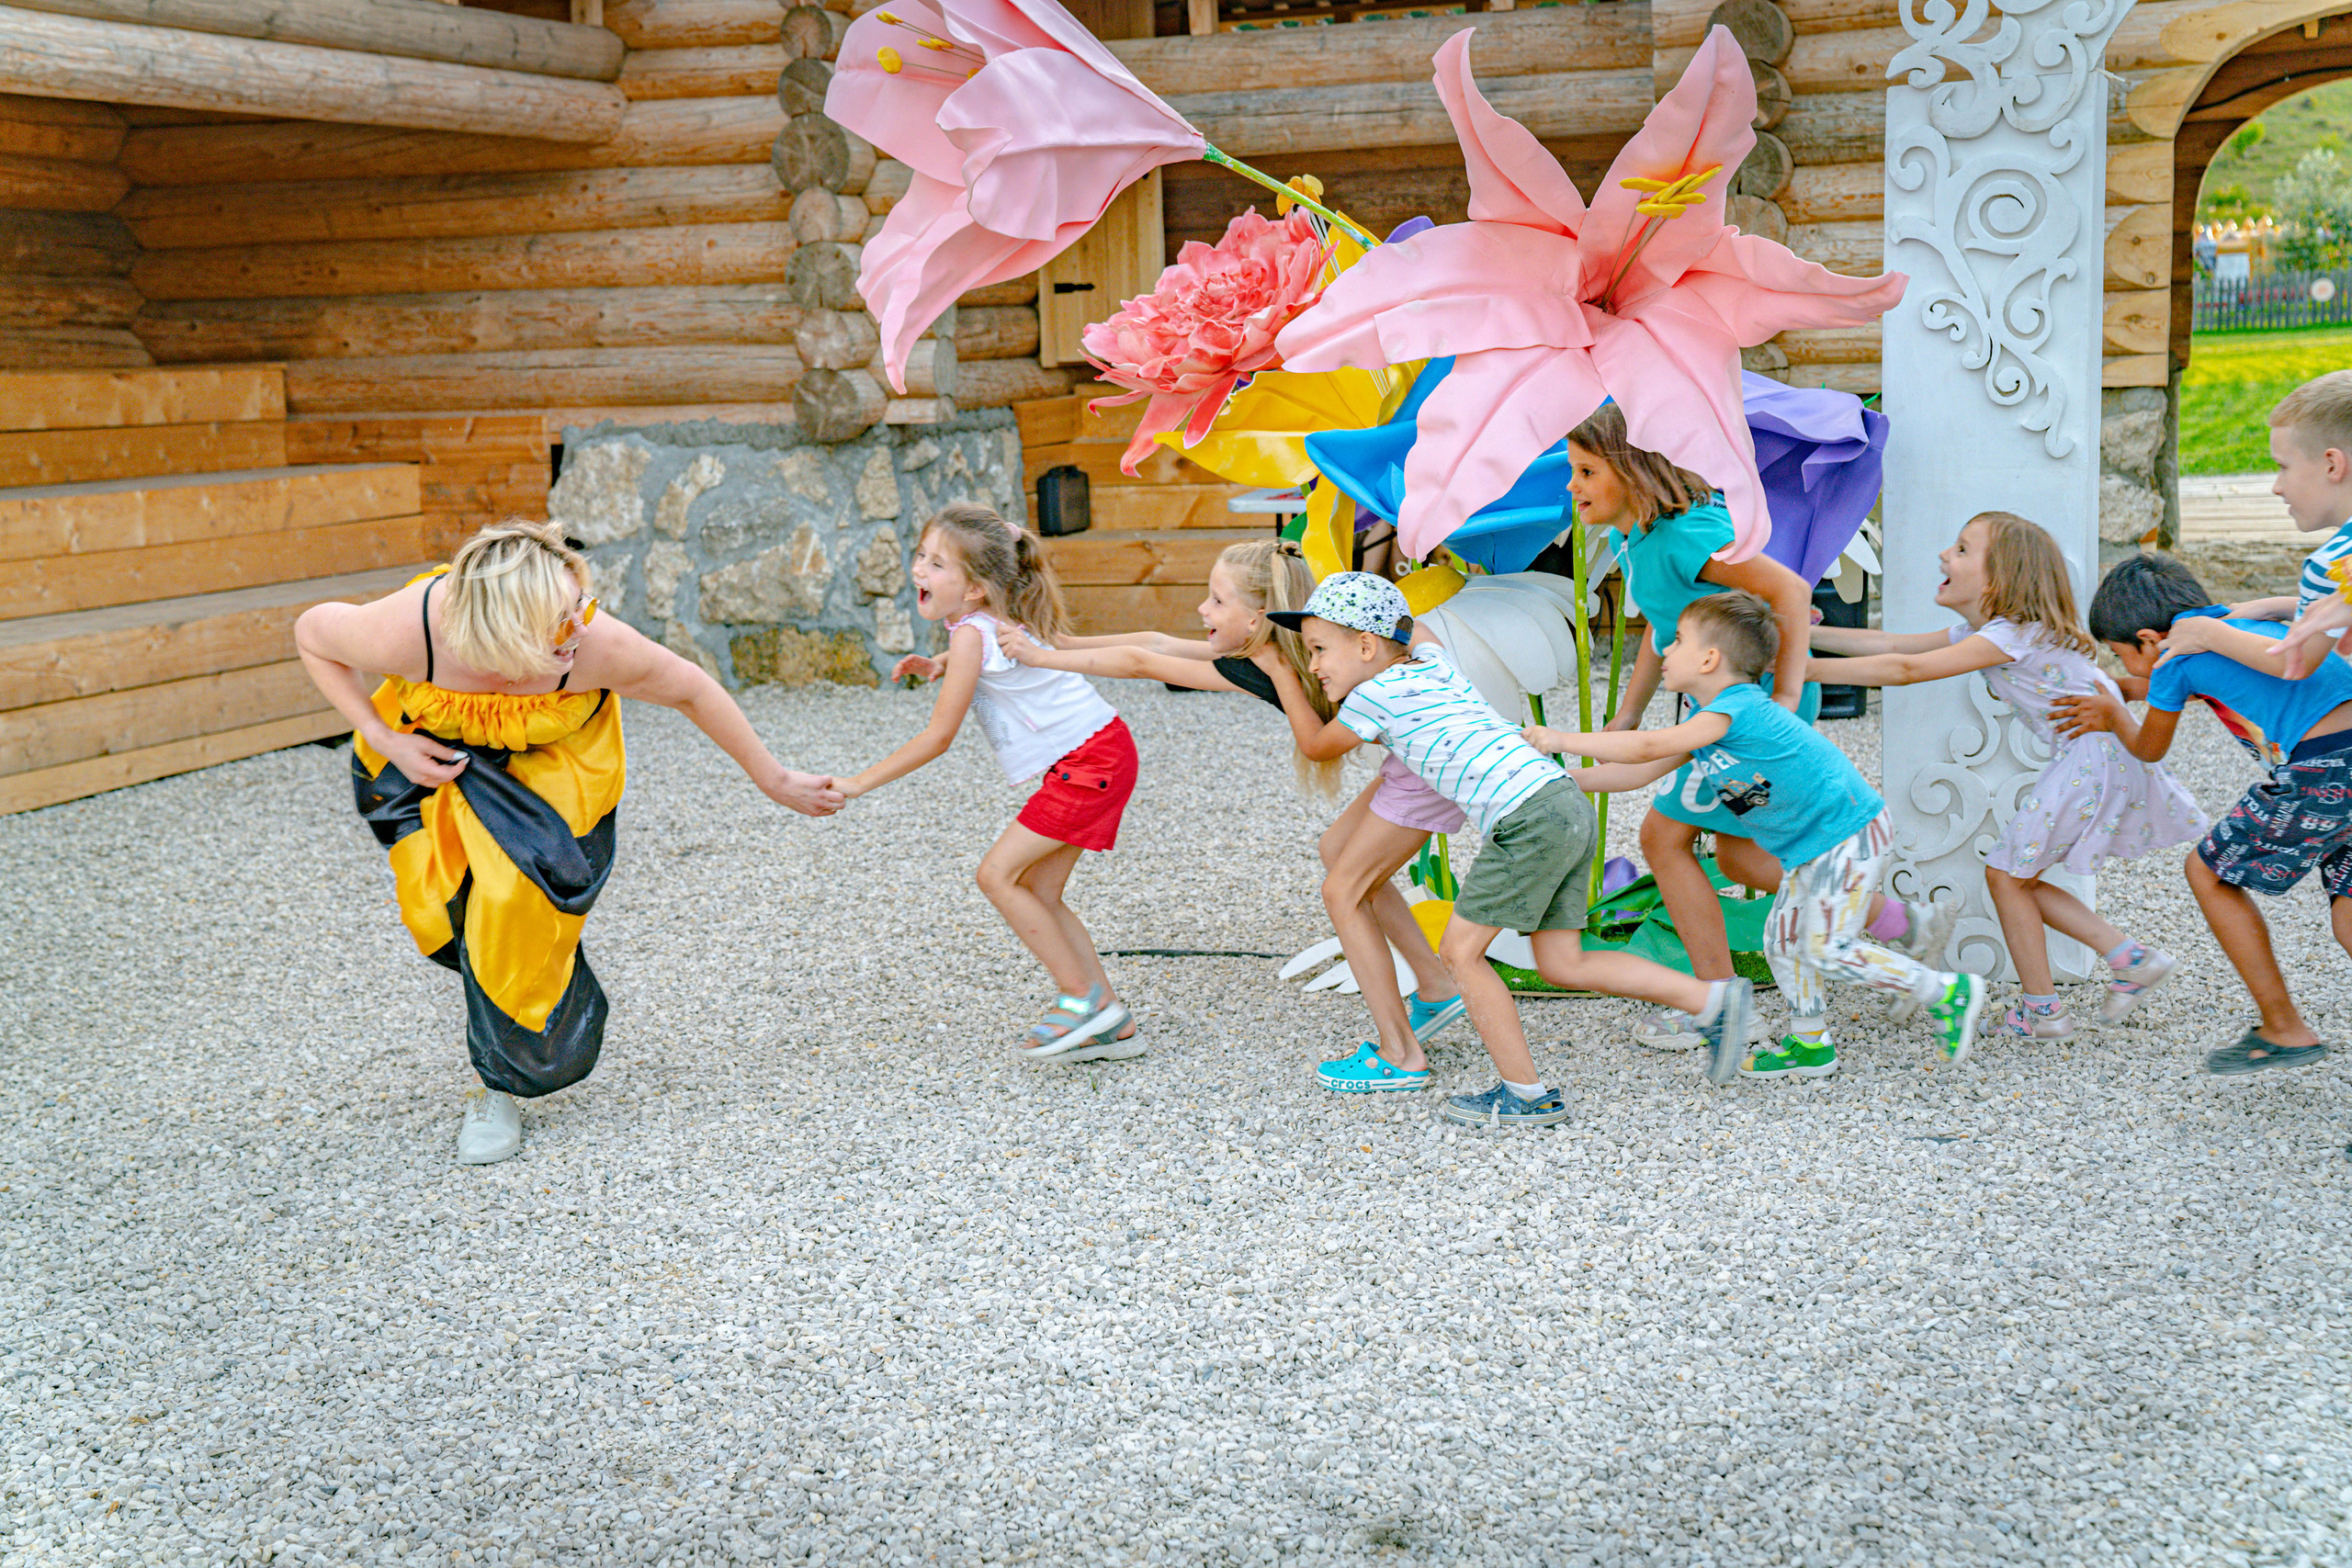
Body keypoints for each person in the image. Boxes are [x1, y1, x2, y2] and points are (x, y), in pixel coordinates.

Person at [293, 520, 843, 1166]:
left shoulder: (592, 645)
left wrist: (775, 780)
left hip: (552, 767)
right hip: (430, 755)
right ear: (501, 630)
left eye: (578, 603)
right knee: (439, 916)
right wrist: (381, 737)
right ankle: (501, 995)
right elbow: (313, 634)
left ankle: (497, 1083)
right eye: (558, 619)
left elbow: (691, 689)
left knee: (507, 903)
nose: (581, 625)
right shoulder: (413, 630)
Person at [1272, 573, 1757, 1122]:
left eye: (1317, 650)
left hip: (1526, 818)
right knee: (1563, 961)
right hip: (1563, 803)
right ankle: (1711, 999)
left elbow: (1316, 746)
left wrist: (1276, 671)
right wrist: (1392, 605)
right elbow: (1419, 628)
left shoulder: (1375, 695)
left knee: (1460, 953)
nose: (1311, 664)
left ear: (1365, 647)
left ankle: (1525, 1094)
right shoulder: (1434, 665)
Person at [998, 538, 1472, 1067]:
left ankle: (1398, 1052)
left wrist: (1042, 658)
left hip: (1428, 771)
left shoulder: (1288, 659)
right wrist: (1060, 642)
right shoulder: (1290, 645)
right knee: (1337, 850)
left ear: (1258, 618)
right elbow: (1156, 643)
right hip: (1415, 763)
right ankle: (1435, 987)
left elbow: (1142, 664)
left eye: (1218, 600)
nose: (1204, 610)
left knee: (1343, 889)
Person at [1567, 403, 1951, 1049]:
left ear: (1633, 470)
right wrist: (1630, 711)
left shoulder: (1687, 535)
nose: (1572, 486)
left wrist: (1791, 689)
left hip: (1747, 712)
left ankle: (1720, 1004)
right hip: (1723, 704)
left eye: (1585, 470)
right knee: (1739, 852)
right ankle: (1896, 922)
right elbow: (1670, 630)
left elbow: (1793, 592)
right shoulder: (1631, 537)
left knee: (1662, 839)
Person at [1531, 592, 1986, 1081]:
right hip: (1811, 846)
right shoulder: (1706, 723)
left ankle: (1945, 992)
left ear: (1710, 659)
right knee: (1783, 939)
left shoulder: (1736, 711)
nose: (1664, 650)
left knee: (1825, 947)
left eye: (1678, 640)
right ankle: (1810, 1044)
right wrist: (1550, 779)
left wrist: (1558, 740)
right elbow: (1633, 773)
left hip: (1846, 834)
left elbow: (1645, 745)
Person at [1802, 513, 2205, 1039]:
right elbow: (1892, 645)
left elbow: (1906, 671)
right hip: (2095, 758)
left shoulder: (2012, 634)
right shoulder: (1994, 632)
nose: (1946, 555)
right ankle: (2128, 960)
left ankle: (2046, 1010)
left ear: (2003, 578)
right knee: (2018, 878)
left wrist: (1803, 668)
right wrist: (1805, 633)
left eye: (1963, 550)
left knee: (2005, 876)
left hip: (2092, 758)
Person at [843, 502, 1142, 1062]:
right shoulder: (982, 625)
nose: (919, 571)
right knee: (1040, 890)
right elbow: (979, 652)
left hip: (1089, 764)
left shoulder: (971, 636)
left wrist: (858, 783)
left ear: (976, 588)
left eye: (936, 564)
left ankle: (1081, 998)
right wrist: (939, 664)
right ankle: (1108, 1016)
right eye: (921, 557)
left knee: (997, 875)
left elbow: (937, 738)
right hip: (1103, 751)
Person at [2061, 553, 2352, 1076]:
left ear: (2149, 640)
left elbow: (2150, 747)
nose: (2121, 664)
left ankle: (2283, 1027)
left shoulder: (2173, 660)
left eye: (2119, 654)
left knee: (2208, 871)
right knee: (2349, 917)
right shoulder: (2231, 623)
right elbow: (2233, 679)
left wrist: (2111, 715)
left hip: (2328, 766)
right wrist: (2134, 688)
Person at [2208, 370, 2352, 648]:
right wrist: (2279, 606)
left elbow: (2296, 665)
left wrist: (2206, 633)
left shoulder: (2332, 566)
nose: (2277, 486)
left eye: (2283, 467)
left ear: (2332, 465)